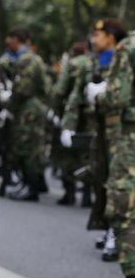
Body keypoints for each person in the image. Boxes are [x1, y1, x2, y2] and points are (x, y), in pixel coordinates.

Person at [61, 19, 126, 243]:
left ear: (110, 36)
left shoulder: (125, 59)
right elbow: (76, 97)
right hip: (99, 130)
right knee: (102, 178)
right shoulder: (91, 64)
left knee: (120, 182)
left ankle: (120, 231)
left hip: (123, 131)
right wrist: (67, 126)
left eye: (98, 35)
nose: (93, 39)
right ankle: (111, 227)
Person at [97, 30, 135, 278]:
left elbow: (116, 98)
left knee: (124, 209)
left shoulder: (129, 46)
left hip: (130, 141)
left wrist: (100, 94)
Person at [0, 27, 51, 201]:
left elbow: (23, 89)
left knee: (28, 149)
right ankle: (30, 184)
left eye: (10, 41)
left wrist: (8, 106)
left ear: (16, 40)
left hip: (29, 110)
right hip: (29, 108)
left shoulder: (27, 60)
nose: (8, 45)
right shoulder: (27, 58)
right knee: (27, 147)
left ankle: (32, 187)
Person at [50, 42, 91, 205]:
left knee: (67, 153)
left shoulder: (72, 64)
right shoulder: (92, 62)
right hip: (90, 115)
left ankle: (70, 192)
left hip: (71, 112)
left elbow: (60, 90)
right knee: (88, 154)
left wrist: (55, 111)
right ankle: (87, 195)